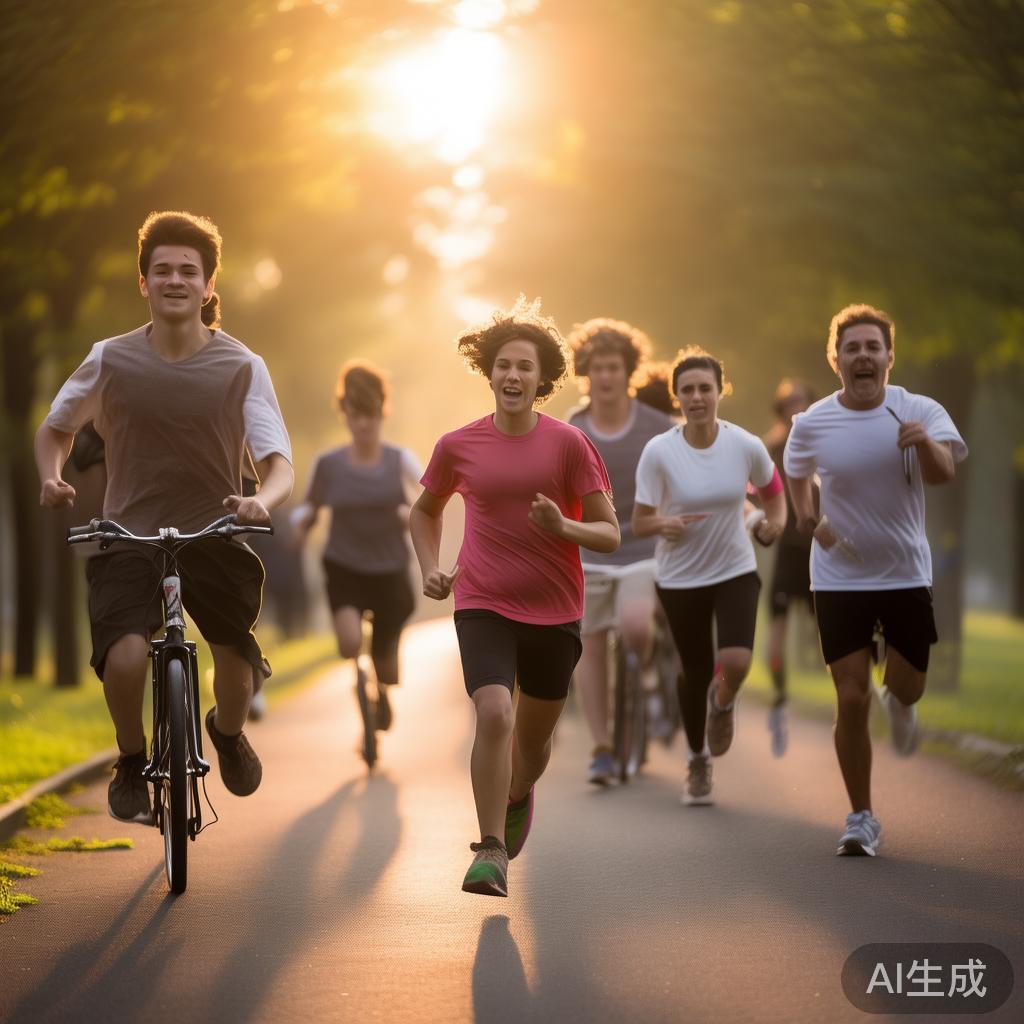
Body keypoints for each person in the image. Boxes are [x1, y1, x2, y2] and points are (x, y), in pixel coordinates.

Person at [35, 210, 293, 823]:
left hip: (217, 531)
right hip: (128, 534)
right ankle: (131, 754)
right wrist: (51, 475)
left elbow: (277, 460)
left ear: (208, 286)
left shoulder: (241, 365)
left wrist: (263, 499)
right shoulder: (111, 359)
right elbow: (57, 429)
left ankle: (226, 734)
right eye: (162, 270)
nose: (175, 279)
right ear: (144, 284)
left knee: (235, 663)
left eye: (188, 270)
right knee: (124, 657)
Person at [410, 297, 618, 898]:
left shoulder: (569, 445)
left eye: (525, 366)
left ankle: (519, 792)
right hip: (483, 601)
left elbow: (609, 533)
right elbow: (424, 511)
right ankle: (490, 850)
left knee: (531, 747)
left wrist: (565, 528)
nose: (513, 375)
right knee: (494, 712)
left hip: (556, 612)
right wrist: (431, 567)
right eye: (504, 364)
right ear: (489, 372)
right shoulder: (459, 445)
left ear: (541, 379)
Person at [784, 304, 967, 857]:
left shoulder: (918, 409)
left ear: (889, 357)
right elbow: (795, 473)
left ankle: (903, 702)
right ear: (836, 359)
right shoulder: (812, 421)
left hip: (905, 570)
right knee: (852, 695)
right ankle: (861, 816)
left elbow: (944, 474)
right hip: (839, 576)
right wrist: (807, 518)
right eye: (852, 348)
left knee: (905, 686)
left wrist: (924, 444)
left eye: (872, 347)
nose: (863, 356)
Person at [633, 347, 786, 805]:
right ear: (677, 397)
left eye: (705, 388)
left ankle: (723, 704)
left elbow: (774, 493)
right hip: (680, 577)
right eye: (687, 390)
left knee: (735, 661)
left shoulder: (745, 445)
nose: (696, 397)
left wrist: (772, 522)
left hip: (735, 568)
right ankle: (697, 759)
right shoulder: (659, 452)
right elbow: (640, 522)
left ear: (720, 391)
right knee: (694, 671)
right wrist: (665, 524)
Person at [293, 361, 422, 765]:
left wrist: (410, 514)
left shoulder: (400, 460)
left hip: (389, 570)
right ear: (344, 412)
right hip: (345, 566)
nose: (362, 423)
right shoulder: (328, 464)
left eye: (368, 414)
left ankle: (380, 689)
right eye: (354, 413)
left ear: (381, 411)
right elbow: (308, 507)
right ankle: (362, 691)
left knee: (387, 669)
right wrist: (303, 523)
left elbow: (426, 504)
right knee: (349, 643)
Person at [566, 319, 674, 784]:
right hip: (590, 551)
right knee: (587, 646)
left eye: (614, 367)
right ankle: (603, 747)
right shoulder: (573, 426)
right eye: (597, 368)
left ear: (629, 371)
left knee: (633, 623)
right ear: (585, 372)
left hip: (643, 546)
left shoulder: (656, 425)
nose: (606, 376)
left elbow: (678, 479)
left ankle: (648, 667)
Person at [761, 378, 817, 757]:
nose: (796, 410)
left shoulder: (824, 441)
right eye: (789, 405)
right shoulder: (770, 449)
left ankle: (855, 694)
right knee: (776, 630)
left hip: (823, 554)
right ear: (780, 411)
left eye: (802, 403)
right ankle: (779, 694)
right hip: (789, 553)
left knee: (832, 633)